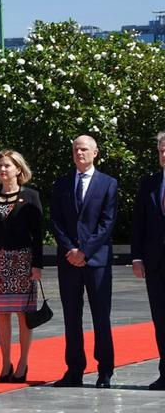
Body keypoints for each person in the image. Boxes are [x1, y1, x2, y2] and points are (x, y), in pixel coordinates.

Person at [52, 135, 119, 388]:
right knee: (71, 316)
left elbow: (107, 222)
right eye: (75, 150)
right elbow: (56, 221)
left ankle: (105, 370)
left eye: (84, 149)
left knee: (101, 316)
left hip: (96, 260)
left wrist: (85, 251)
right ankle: (74, 370)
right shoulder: (62, 184)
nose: (79, 153)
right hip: (68, 260)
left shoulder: (108, 184)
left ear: (95, 153)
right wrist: (70, 249)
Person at [0, 150, 45, 383]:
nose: (3, 170)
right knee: (2, 316)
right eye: (0, 166)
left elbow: (38, 234)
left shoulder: (32, 196)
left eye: (7, 165)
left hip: (23, 261)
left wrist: (37, 265)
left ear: (18, 169)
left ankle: (23, 363)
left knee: (24, 315)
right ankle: (6, 363)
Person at [131, 131, 165, 391]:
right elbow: (139, 222)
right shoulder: (149, 183)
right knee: (160, 319)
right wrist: (137, 257)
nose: (163, 155)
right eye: (161, 151)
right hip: (155, 263)